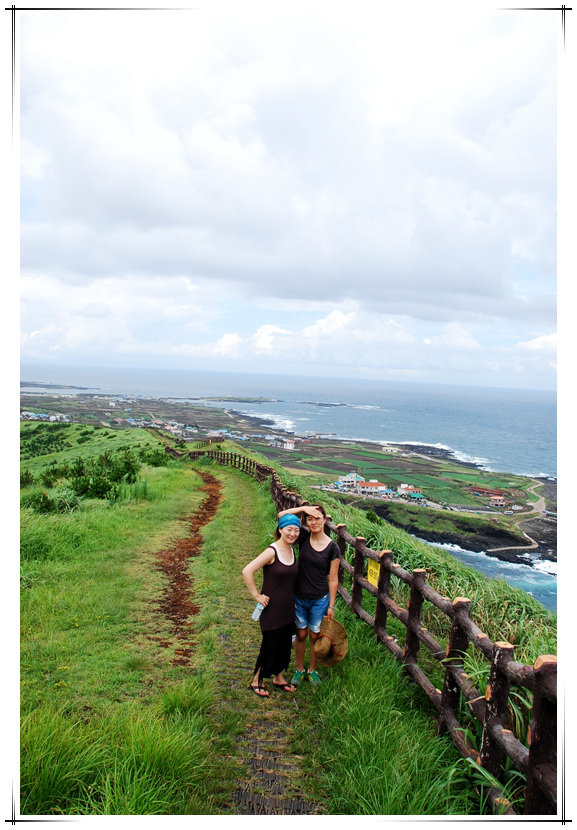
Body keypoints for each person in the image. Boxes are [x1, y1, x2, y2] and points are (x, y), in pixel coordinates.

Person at [277, 503, 340, 686]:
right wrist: (304, 510)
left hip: (320, 599)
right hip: (299, 596)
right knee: (301, 634)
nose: (313, 522)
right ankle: (299, 670)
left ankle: (312, 671)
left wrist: (331, 606)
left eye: (317, 518)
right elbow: (282, 515)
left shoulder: (332, 548)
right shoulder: (303, 537)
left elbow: (333, 579)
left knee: (315, 636)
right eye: (309, 519)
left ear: (325, 520)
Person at [242, 513, 300, 697]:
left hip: (288, 607)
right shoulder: (272, 551)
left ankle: (279, 677)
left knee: (284, 644)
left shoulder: (292, 550)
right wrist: (256, 595)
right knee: (270, 644)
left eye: (296, 530)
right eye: (289, 529)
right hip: (272, 608)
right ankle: (257, 680)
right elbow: (247, 570)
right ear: (280, 529)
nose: (292, 533)